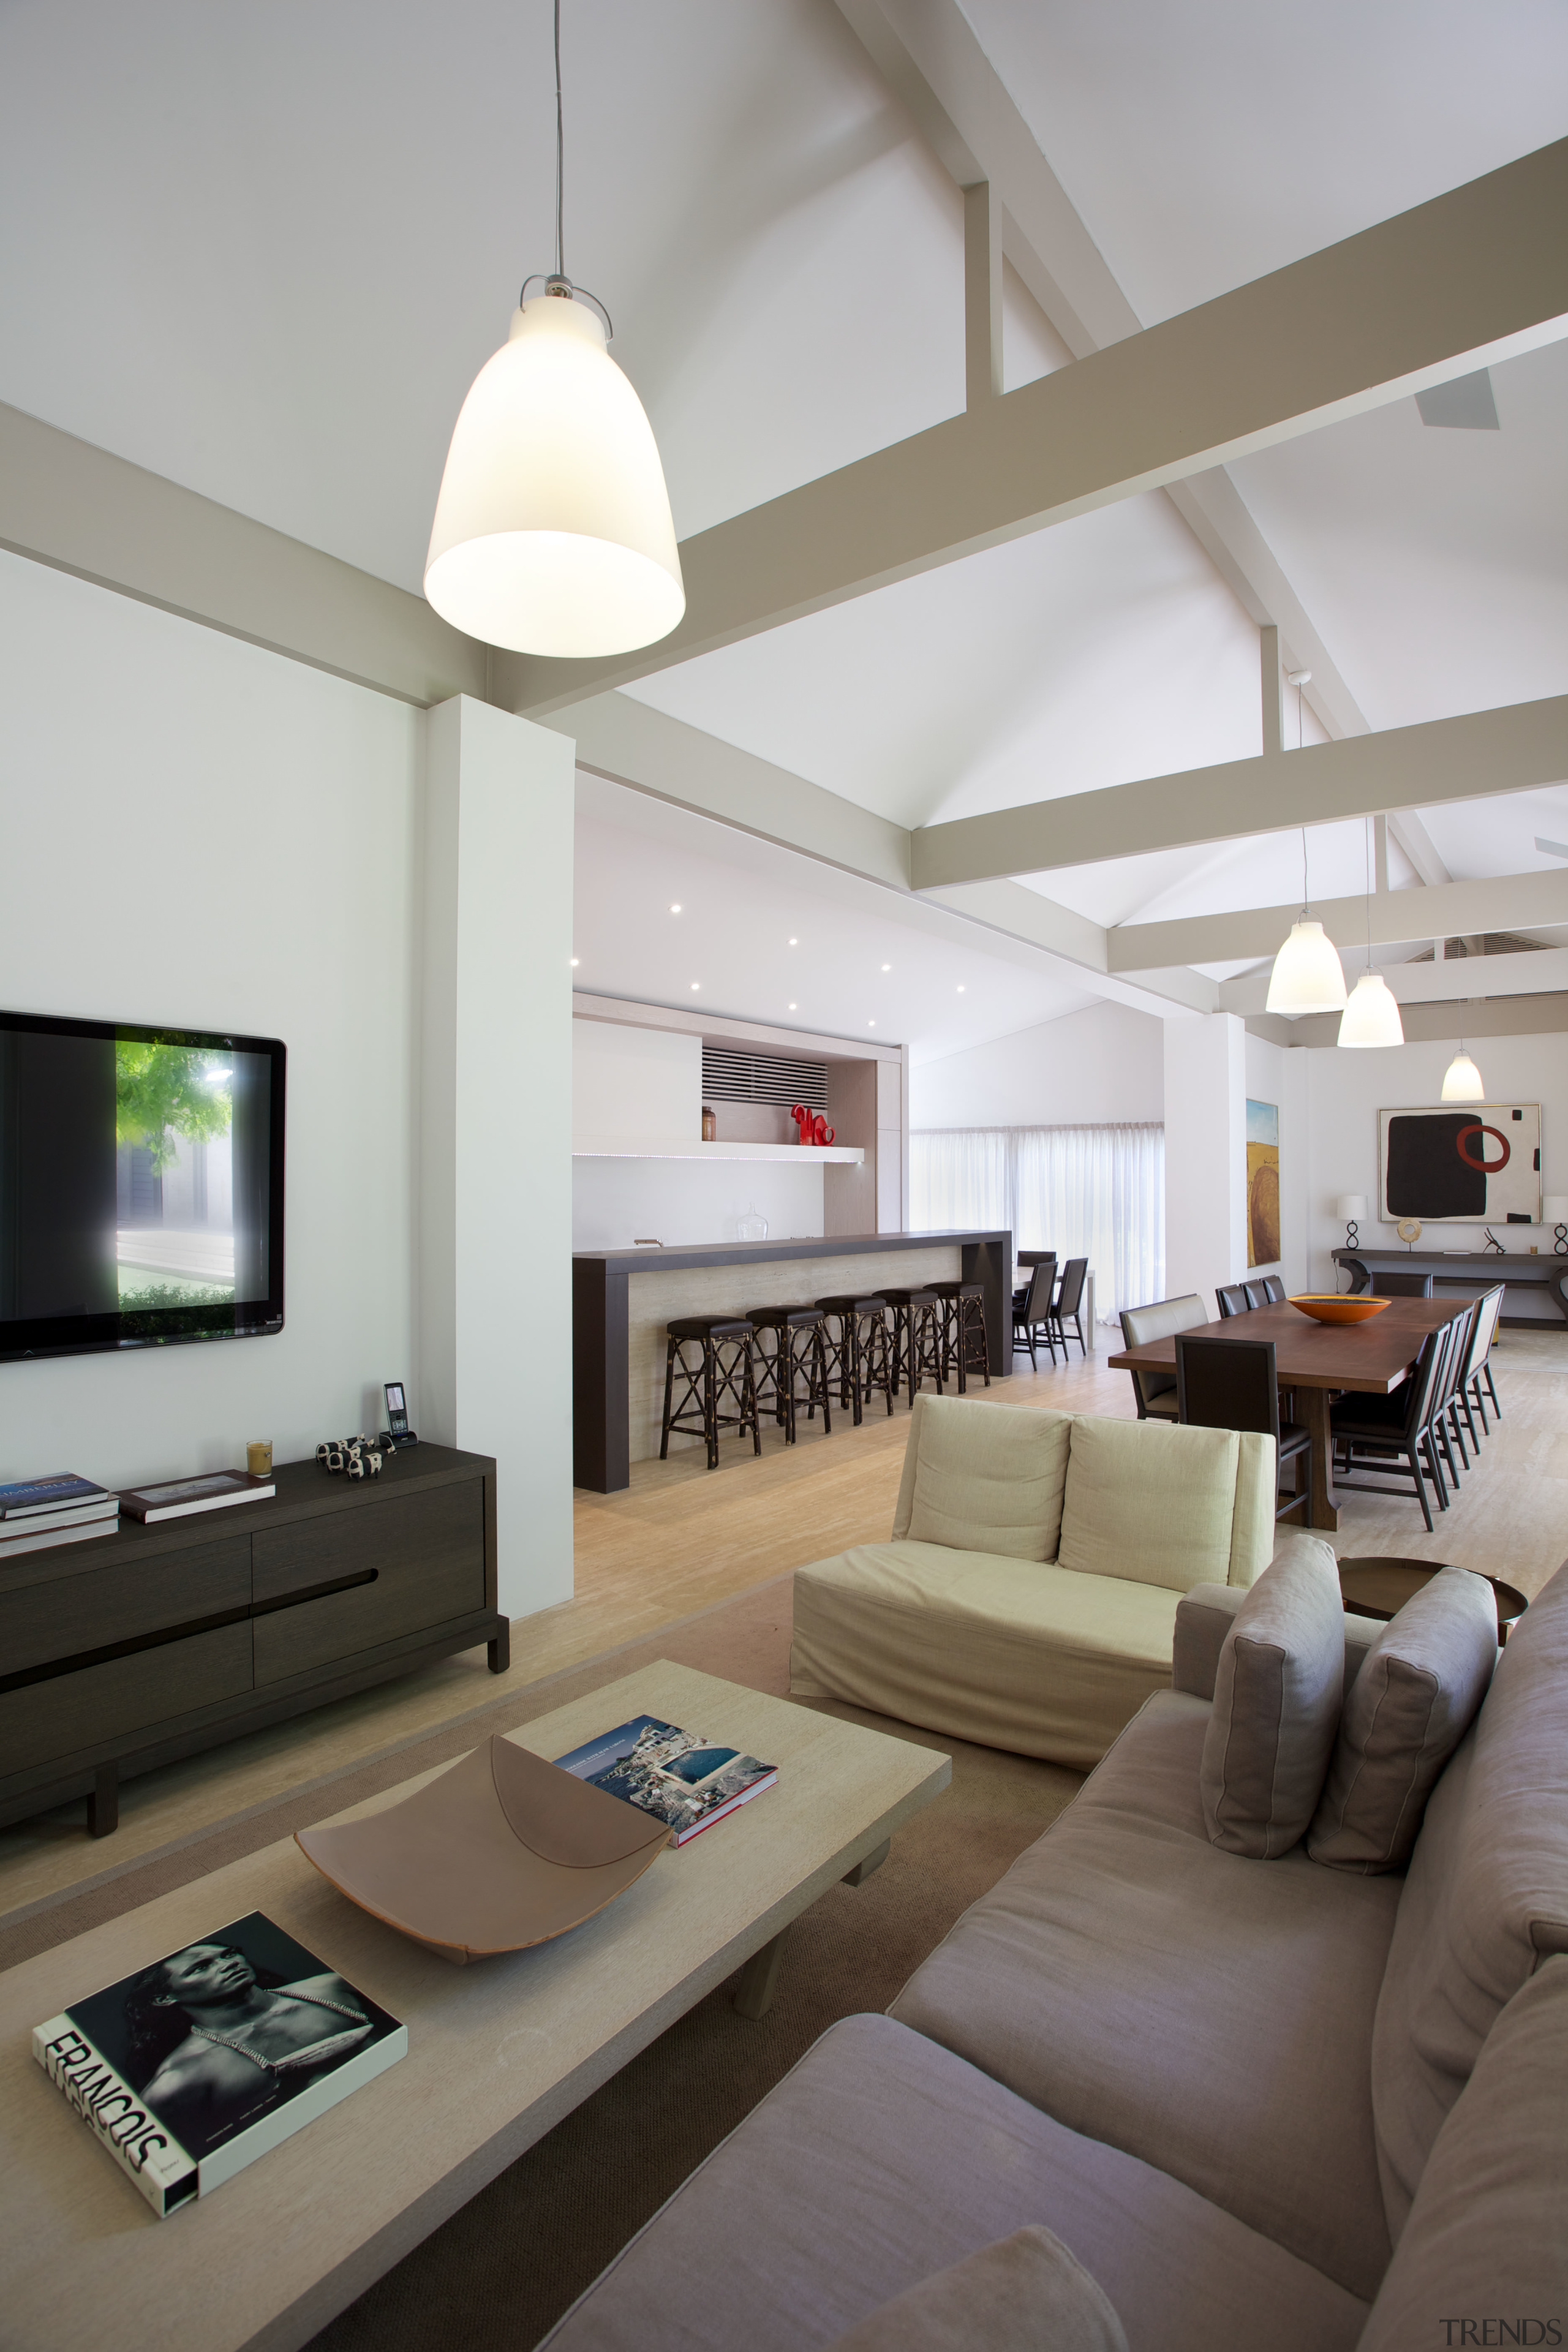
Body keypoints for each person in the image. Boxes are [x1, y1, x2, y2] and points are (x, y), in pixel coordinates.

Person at [125, 1939, 373, 2152]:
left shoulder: (333, 1989)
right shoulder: (179, 2081)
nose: (228, 1964)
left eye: (229, 1954)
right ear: (164, 1998)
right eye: (201, 1968)